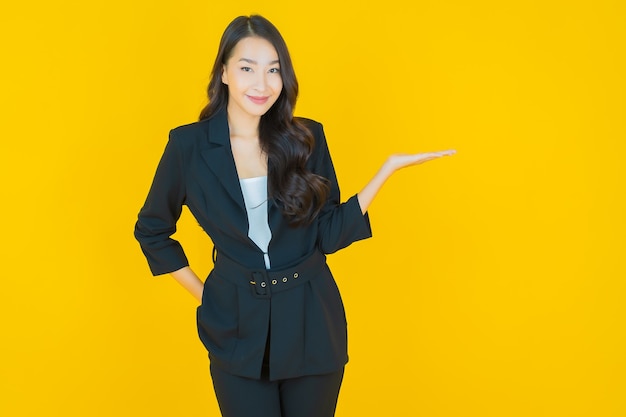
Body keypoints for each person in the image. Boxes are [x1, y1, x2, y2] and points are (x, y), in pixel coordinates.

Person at [134, 14, 455, 417]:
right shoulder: (188, 147)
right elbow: (152, 230)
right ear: (225, 72)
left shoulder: (307, 137)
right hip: (236, 325)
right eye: (247, 68)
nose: (262, 84)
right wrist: (207, 295)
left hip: (312, 319)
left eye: (274, 70)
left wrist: (385, 172)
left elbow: (328, 234)